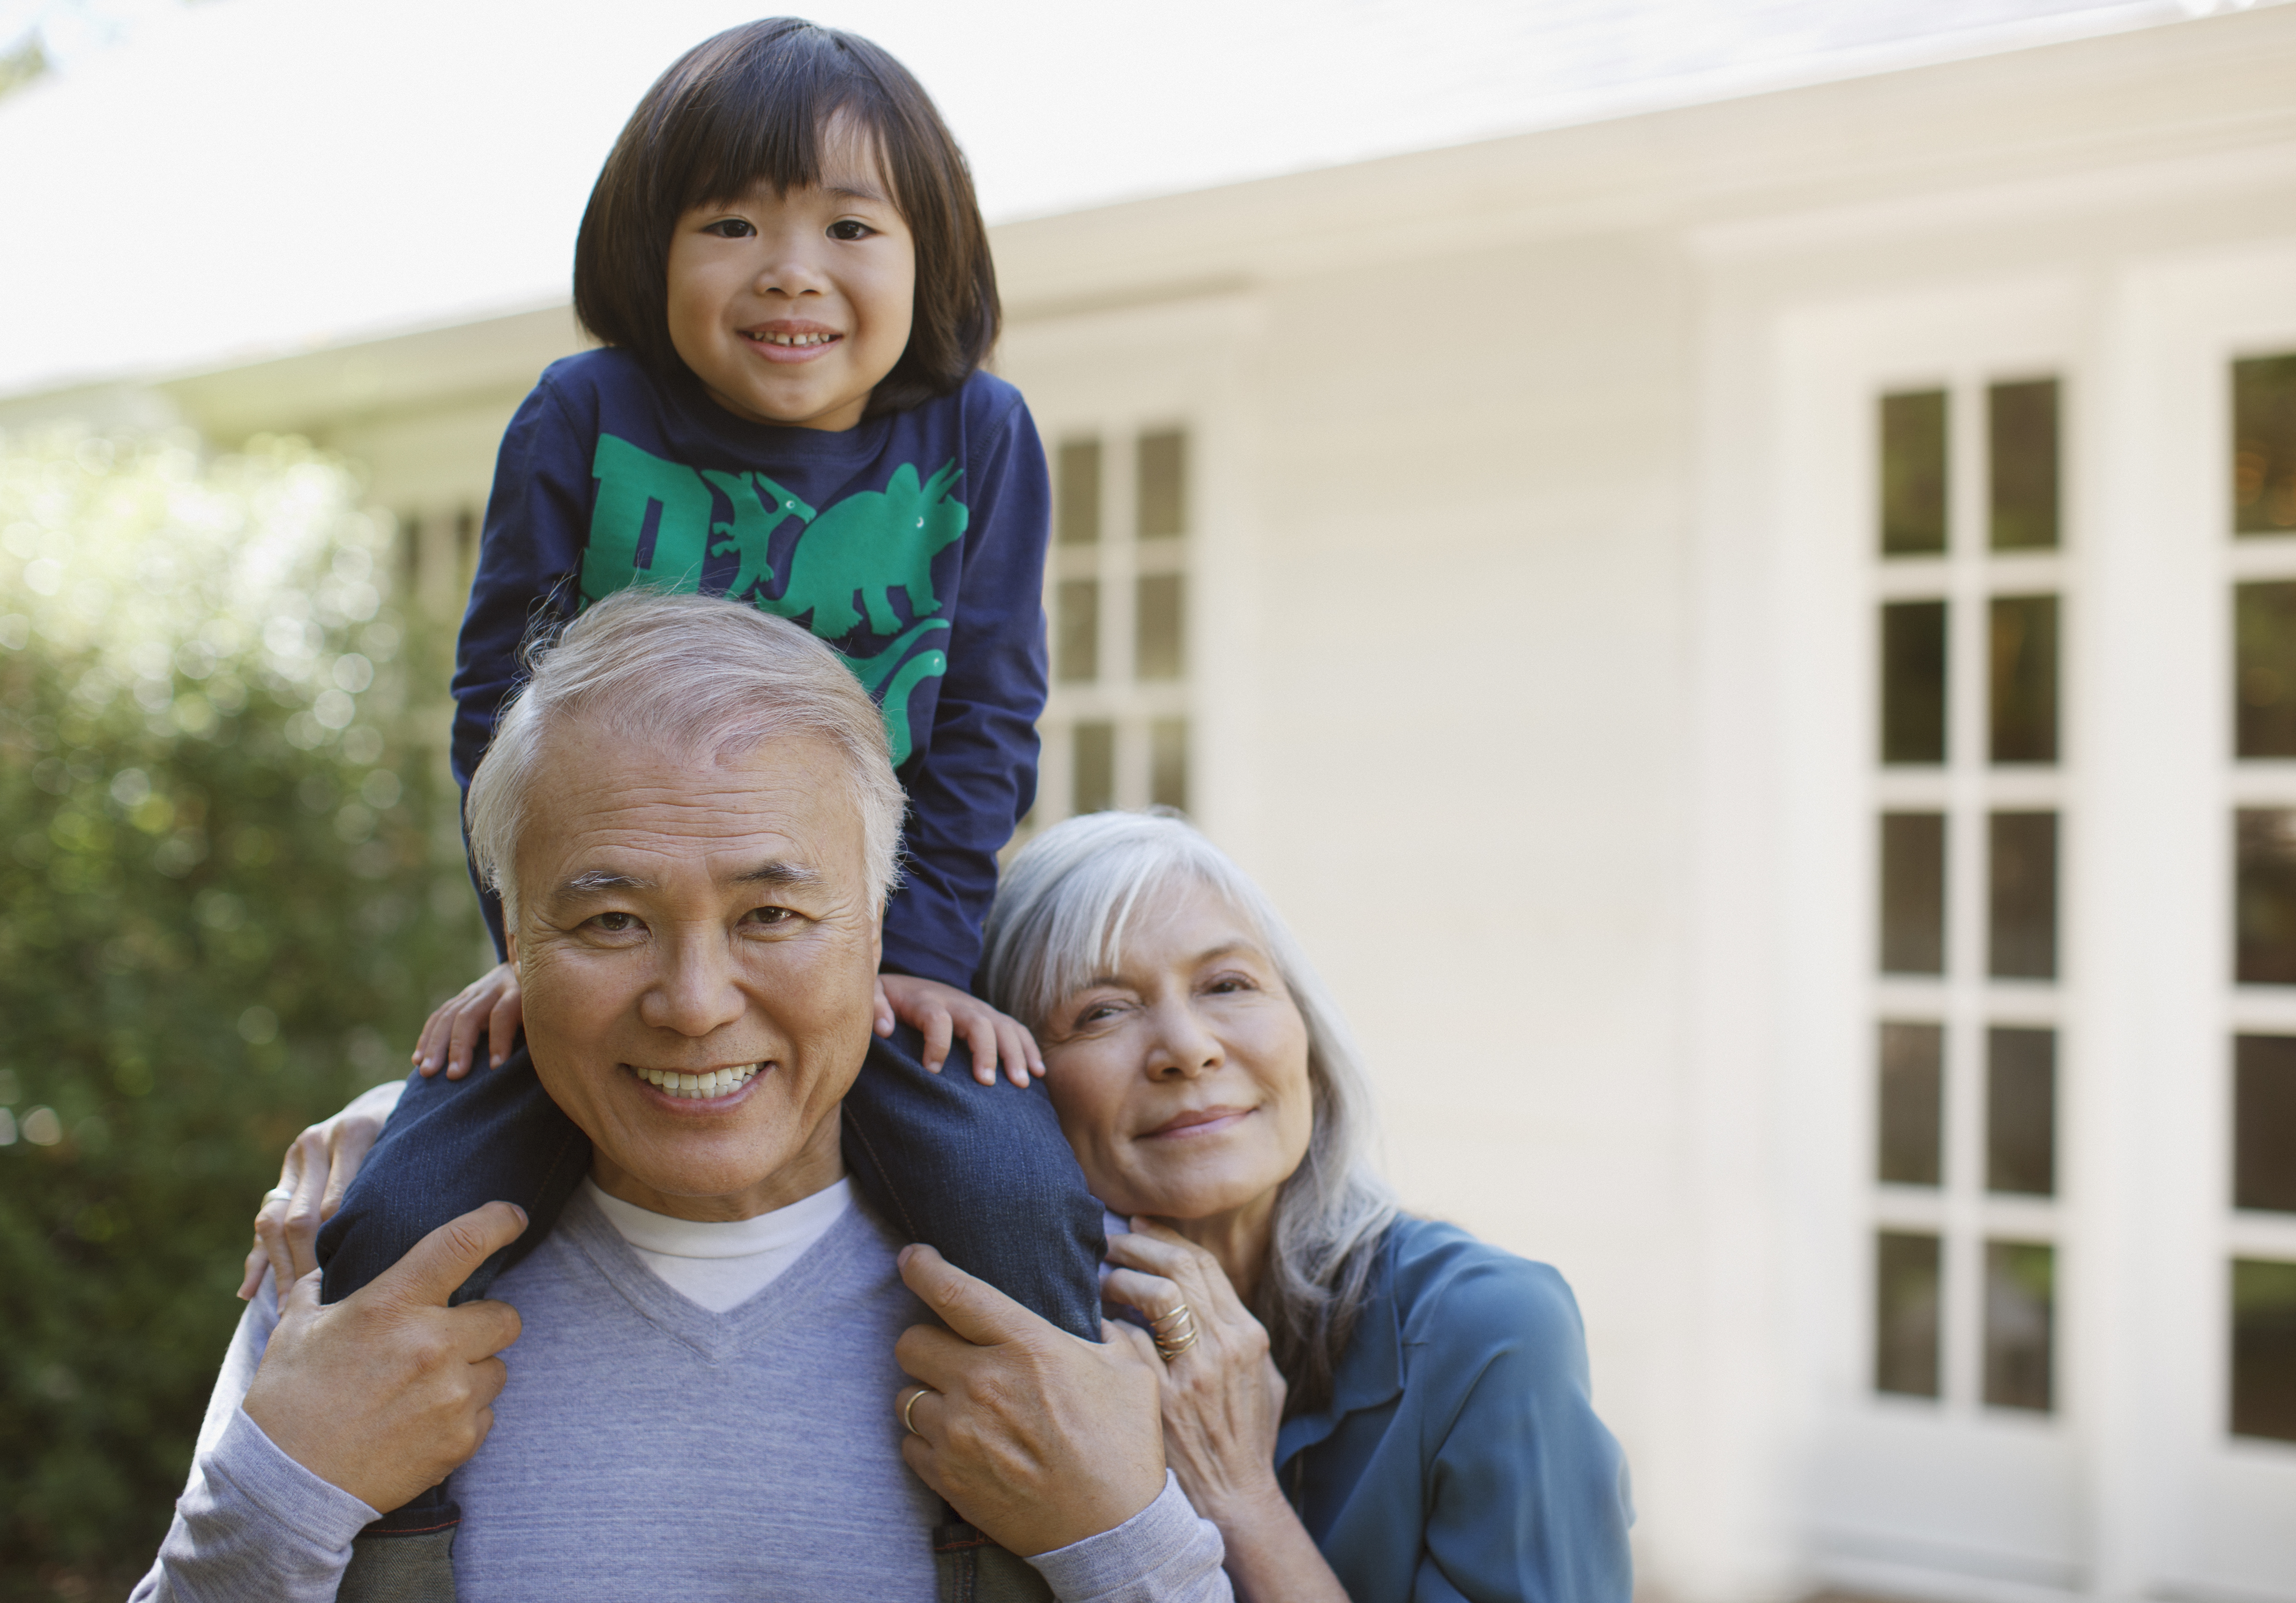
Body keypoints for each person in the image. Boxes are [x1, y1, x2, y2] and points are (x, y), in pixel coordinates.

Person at [293, 16, 1110, 1539]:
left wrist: (916, 962)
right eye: (731, 222)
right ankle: (397, 1559)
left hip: (862, 953)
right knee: (399, 1215)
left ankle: (1025, 1552)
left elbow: (990, 716)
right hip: (621, 954)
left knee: (1020, 1201)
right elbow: (500, 708)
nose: (790, 268)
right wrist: (538, 955)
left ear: (929, 256)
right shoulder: (584, 419)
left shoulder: (977, 439)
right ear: (647, 250)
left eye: (849, 226)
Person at [138, 590, 1226, 1602]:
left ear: (879, 933)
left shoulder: (1082, 1313)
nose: (696, 1004)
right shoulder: (352, 1290)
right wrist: (283, 1492)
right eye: (612, 922)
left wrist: (1121, 1540)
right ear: (514, 947)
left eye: (770, 917)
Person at [977, 810, 1638, 1602]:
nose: (1188, 1048)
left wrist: (1243, 1499)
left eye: (1228, 985)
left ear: (1309, 1038)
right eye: (1102, 1012)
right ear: (1020, 1077)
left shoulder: (1491, 1330)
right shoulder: (1016, 1366)